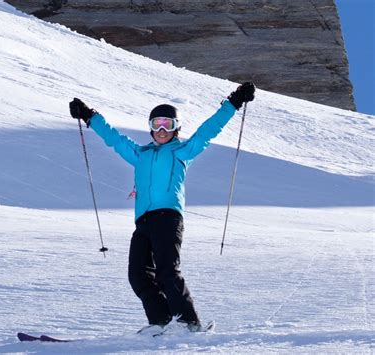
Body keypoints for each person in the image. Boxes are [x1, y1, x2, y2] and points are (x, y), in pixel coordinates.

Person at [69, 82, 255, 331]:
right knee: (138, 276)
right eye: (157, 124)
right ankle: (162, 322)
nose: (162, 129)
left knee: (167, 271)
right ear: (150, 128)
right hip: (143, 222)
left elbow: (207, 131)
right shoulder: (140, 154)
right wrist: (89, 115)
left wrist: (234, 102)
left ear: (177, 127)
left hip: (169, 218)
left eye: (168, 124)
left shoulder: (182, 151)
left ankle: (189, 323)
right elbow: (113, 138)